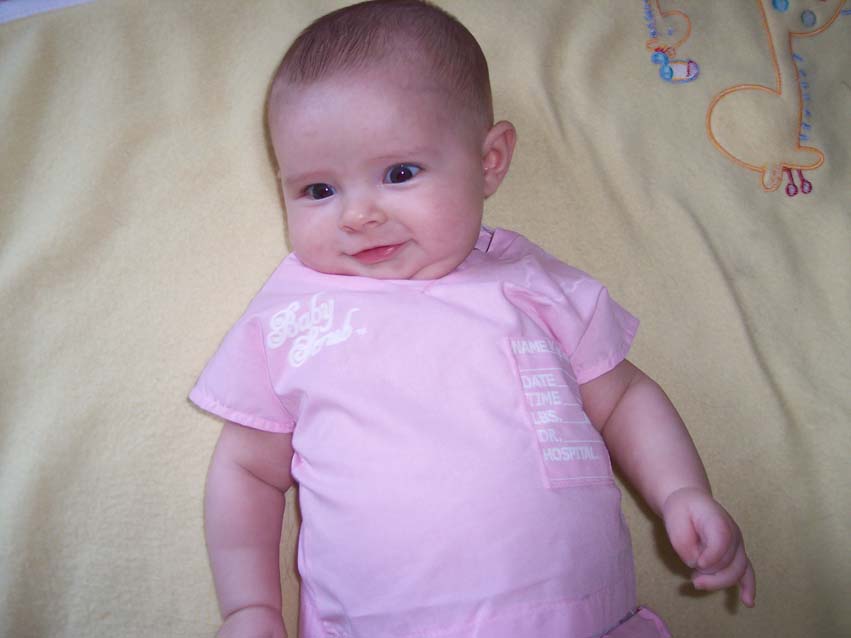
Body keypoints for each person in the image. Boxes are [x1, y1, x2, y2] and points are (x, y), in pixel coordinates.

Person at [190, 1, 756, 636]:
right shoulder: (293, 315)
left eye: (399, 173)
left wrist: (680, 491)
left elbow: (623, 397)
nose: (357, 215)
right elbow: (246, 469)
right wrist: (251, 607)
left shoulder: (531, 284)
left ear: (489, 162)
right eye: (318, 190)